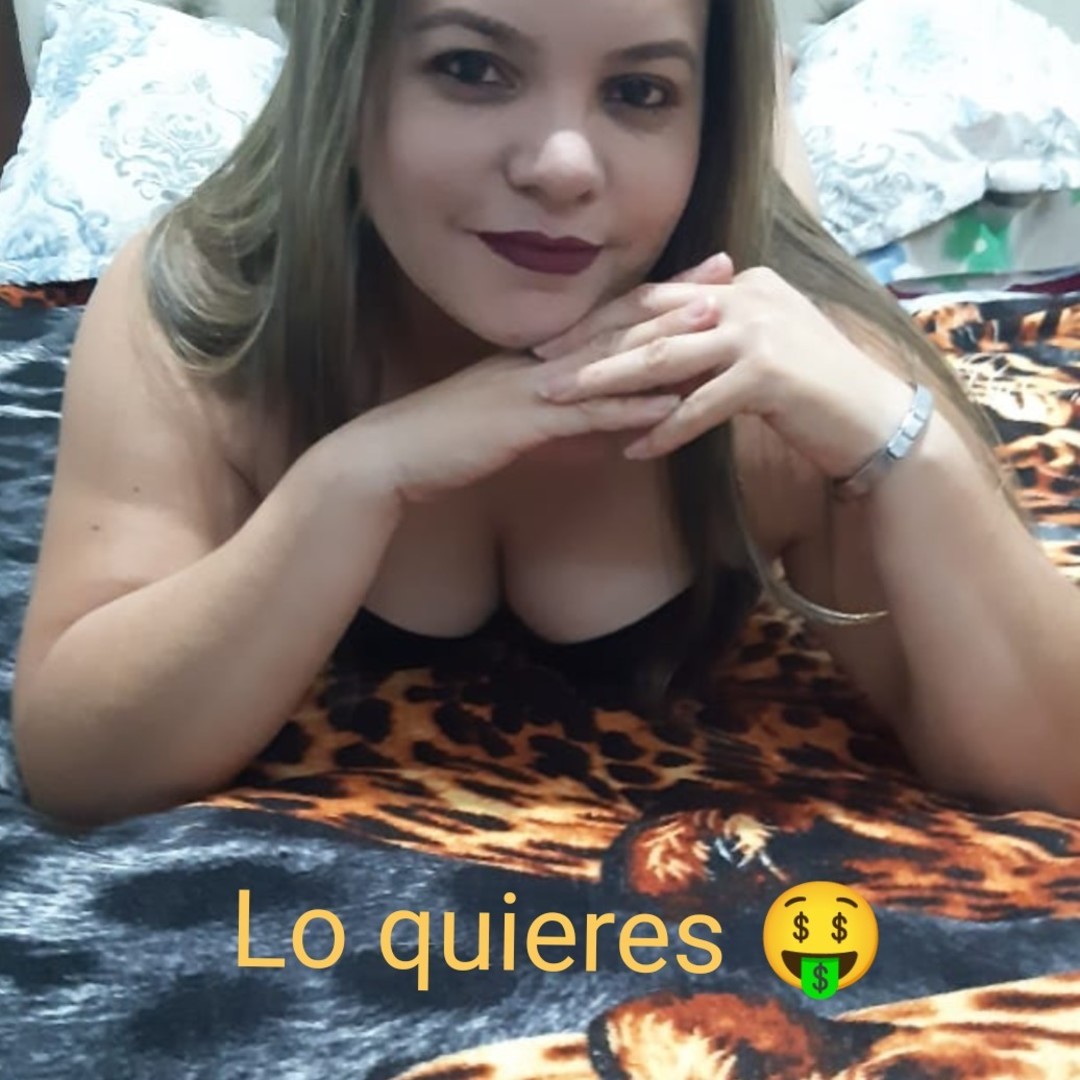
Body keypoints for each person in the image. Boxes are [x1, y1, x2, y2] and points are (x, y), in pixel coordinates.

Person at [11, 0, 1079, 830]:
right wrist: (353, 478)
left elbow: (1054, 768)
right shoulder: (201, 311)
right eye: (472, 69)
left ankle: (762, 96)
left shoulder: (792, 370)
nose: (563, 166)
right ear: (346, 79)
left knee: (777, 210)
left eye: (642, 91)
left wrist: (911, 453)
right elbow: (77, 763)